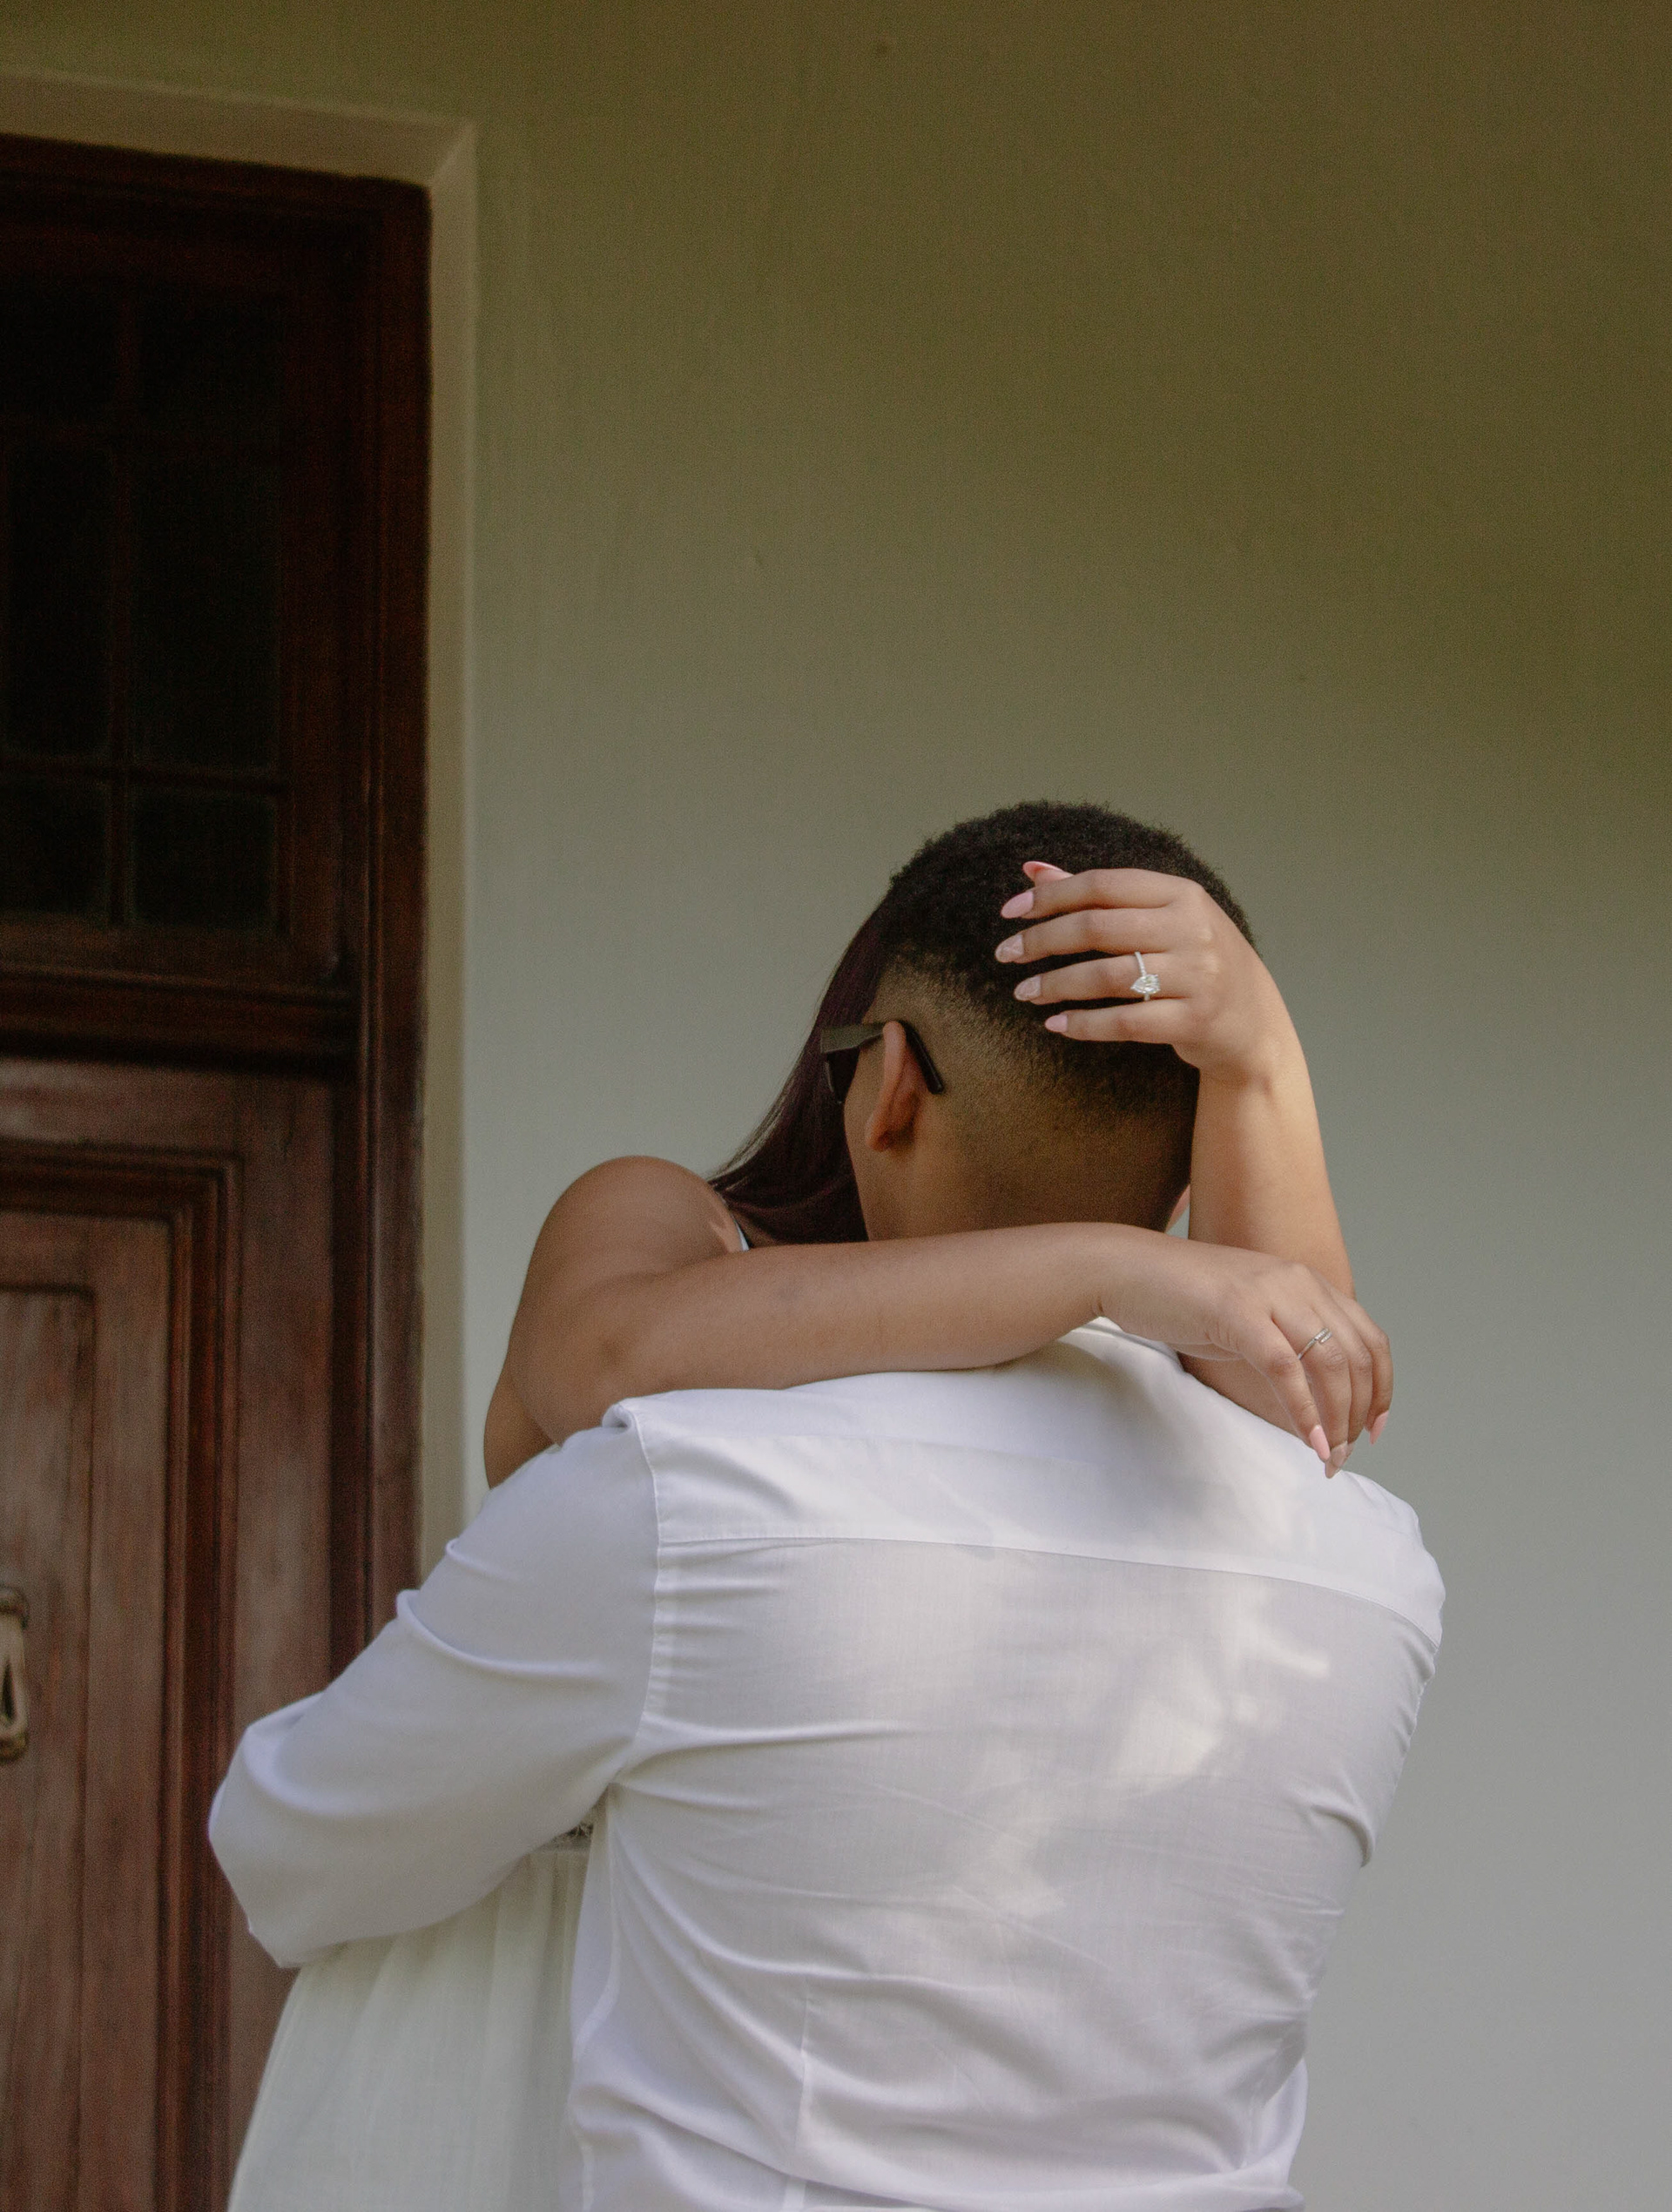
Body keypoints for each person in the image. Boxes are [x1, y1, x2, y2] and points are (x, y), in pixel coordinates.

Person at [213, 802, 1438, 2211]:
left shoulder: (703, 1493)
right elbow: (602, 1355)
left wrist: (1258, 1059)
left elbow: (1288, 1387)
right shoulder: (674, 1240)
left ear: (888, 1081)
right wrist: (1108, 1256)